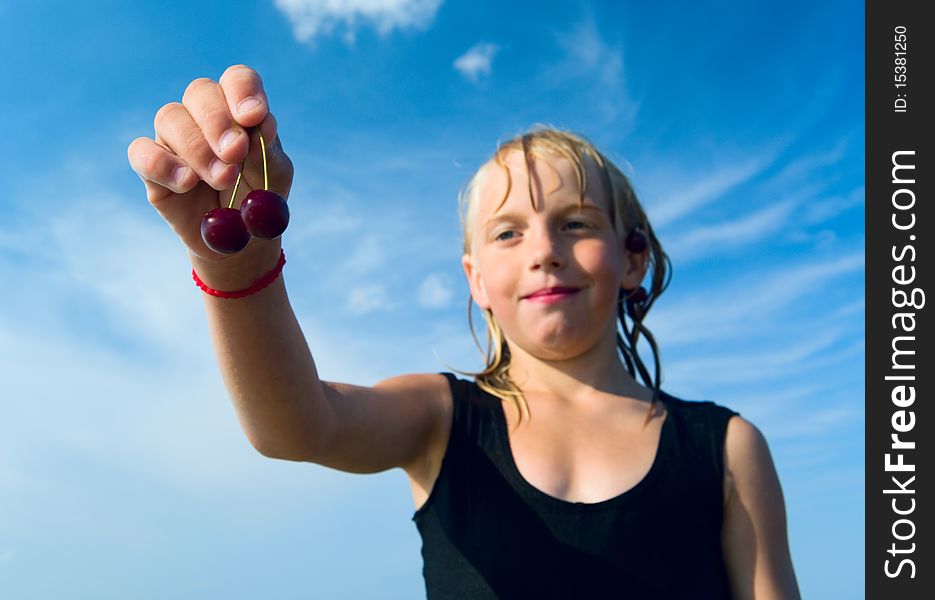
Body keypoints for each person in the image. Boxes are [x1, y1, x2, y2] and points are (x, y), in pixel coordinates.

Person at [128, 65, 801, 599]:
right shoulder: (440, 418)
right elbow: (297, 427)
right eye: (508, 233)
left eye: (575, 223)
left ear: (632, 259)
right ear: (475, 279)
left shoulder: (726, 448)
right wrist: (241, 264)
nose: (544, 250)